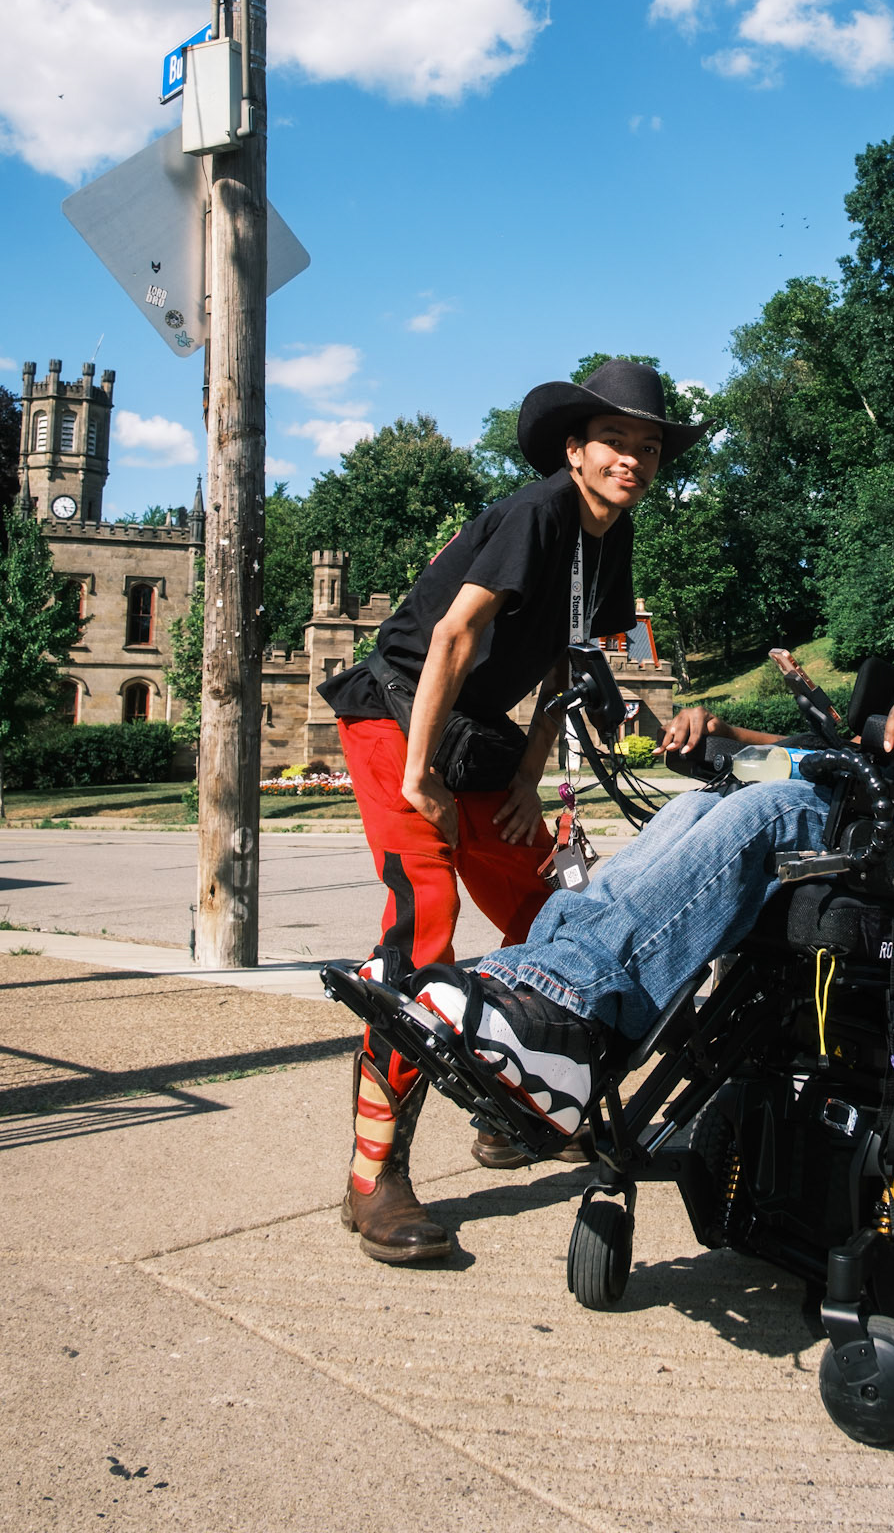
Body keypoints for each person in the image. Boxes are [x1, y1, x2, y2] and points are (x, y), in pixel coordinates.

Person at [387, 451, 894, 1146]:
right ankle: (529, 990)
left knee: (768, 811)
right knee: (698, 804)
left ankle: (563, 1002)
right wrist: (731, 733)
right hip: (881, 807)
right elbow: (857, 747)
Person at [318, 359, 708, 1262]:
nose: (632, 459)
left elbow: (566, 660)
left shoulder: (611, 535)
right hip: (397, 717)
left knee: (550, 916)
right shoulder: (537, 512)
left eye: (648, 447)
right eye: (613, 441)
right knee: (423, 929)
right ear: (574, 449)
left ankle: (513, 1110)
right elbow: (452, 634)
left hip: (478, 735)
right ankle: (374, 1178)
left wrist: (530, 777)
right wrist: (420, 773)